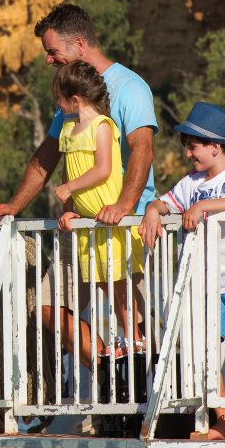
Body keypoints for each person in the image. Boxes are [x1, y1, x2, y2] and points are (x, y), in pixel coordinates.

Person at [0, 1, 158, 373]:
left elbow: (143, 149)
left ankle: (146, 392)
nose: (48, 60)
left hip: (122, 224)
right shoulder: (70, 95)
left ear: (79, 44)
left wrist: (124, 206)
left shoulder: (129, 88)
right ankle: (109, 377)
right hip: (77, 223)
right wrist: (14, 205)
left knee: (132, 314)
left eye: (52, 51)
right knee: (49, 306)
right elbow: (47, 155)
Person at [140, 102, 225, 440]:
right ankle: (222, 419)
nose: (189, 153)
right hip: (209, 283)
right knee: (208, 353)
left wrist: (203, 206)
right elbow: (165, 203)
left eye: (193, 146)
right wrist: (152, 209)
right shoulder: (191, 182)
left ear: (215, 146)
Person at [50, 60, 137, 356]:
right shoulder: (68, 128)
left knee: (117, 282)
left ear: (75, 100)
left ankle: (133, 338)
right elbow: (68, 169)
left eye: (59, 100)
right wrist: (69, 207)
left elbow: (102, 169)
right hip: (88, 221)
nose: (57, 105)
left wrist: (70, 187)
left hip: (108, 219)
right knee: (101, 281)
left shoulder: (101, 126)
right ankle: (125, 340)